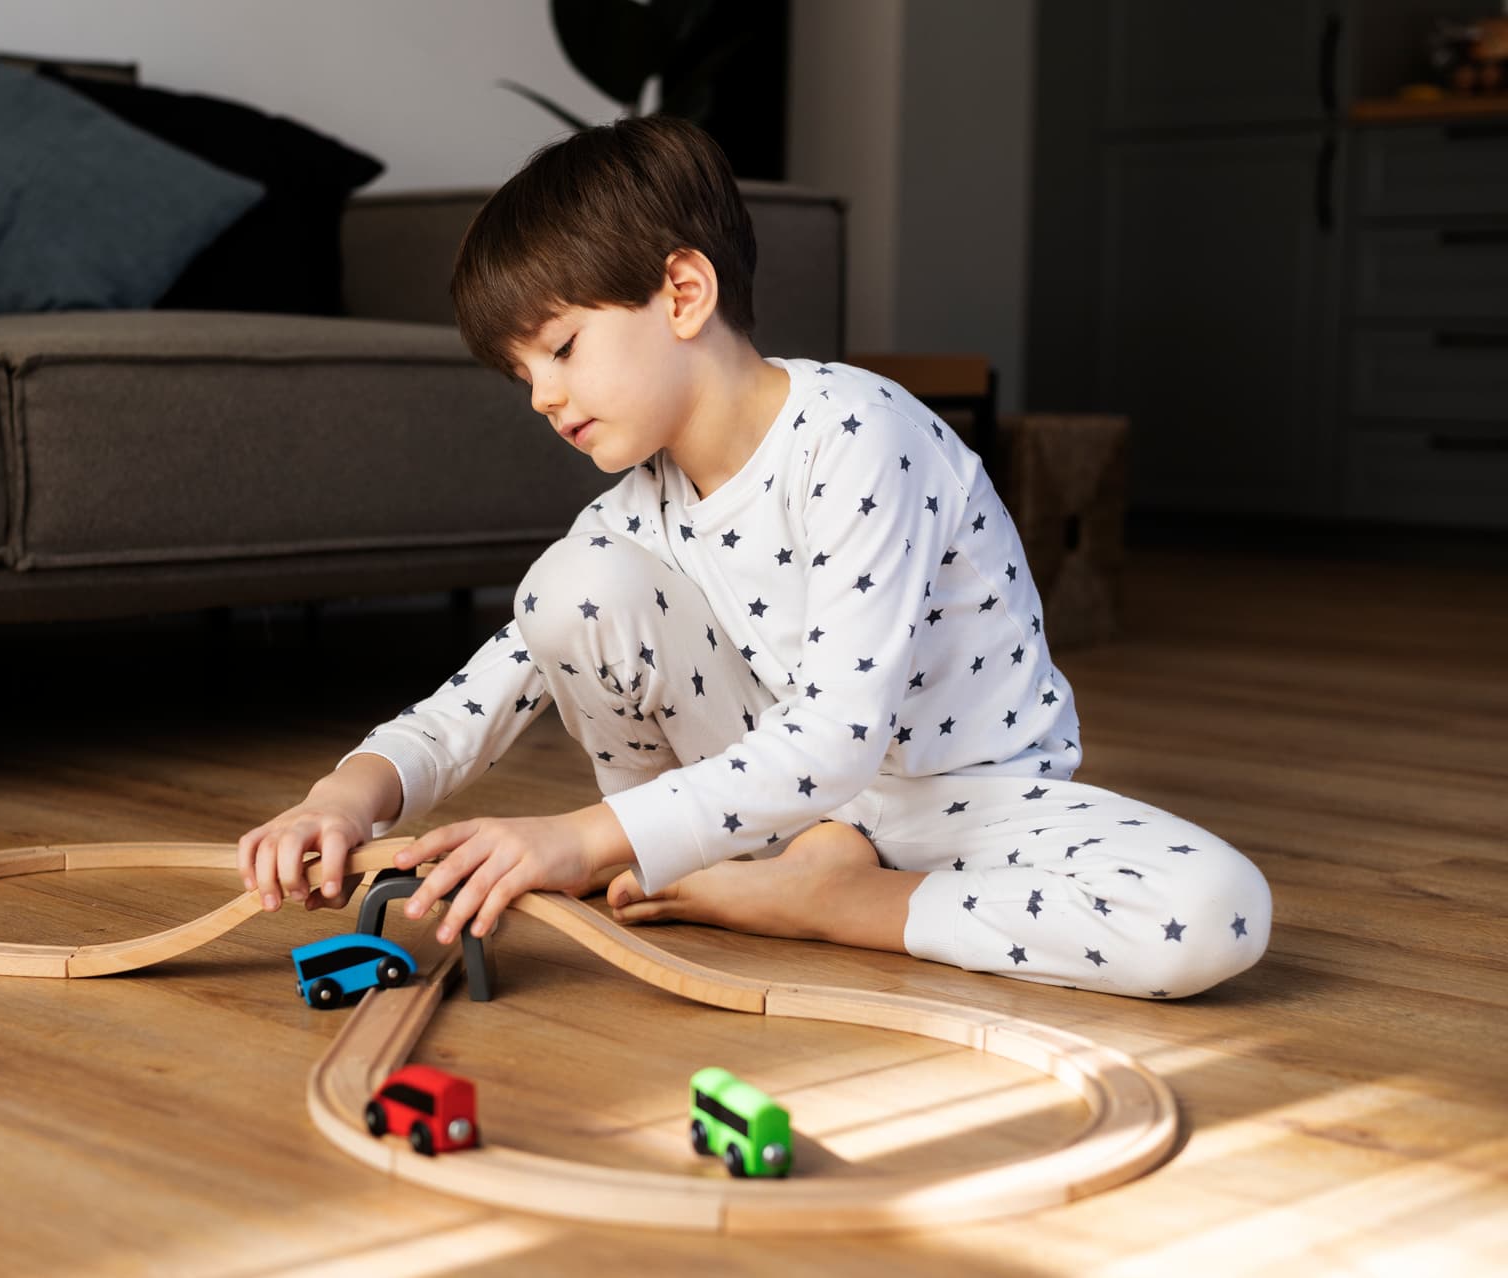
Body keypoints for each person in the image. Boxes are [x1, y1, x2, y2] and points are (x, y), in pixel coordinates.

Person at [236, 115, 1271, 999]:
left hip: (957, 801)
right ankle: (678, 862)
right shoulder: (633, 512)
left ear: (683, 292)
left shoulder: (860, 435)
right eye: (522, 376)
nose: (543, 397)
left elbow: (836, 739)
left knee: (1215, 911)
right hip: (759, 809)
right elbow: (481, 696)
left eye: (559, 350)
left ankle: (827, 897)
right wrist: (344, 796)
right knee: (570, 590)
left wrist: (577, 838)